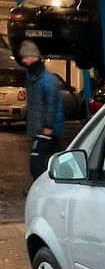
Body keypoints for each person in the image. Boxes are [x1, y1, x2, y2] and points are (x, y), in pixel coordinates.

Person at [18, 39, 64, 181]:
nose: (24, 61)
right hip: (42, 128)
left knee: (37, 163)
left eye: (25, 57)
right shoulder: (34, 77)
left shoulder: (47, 80)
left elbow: (51, 104)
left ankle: (39, 189)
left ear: (33, 57)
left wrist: (47, 126)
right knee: (53, 159)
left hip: (45, 129)